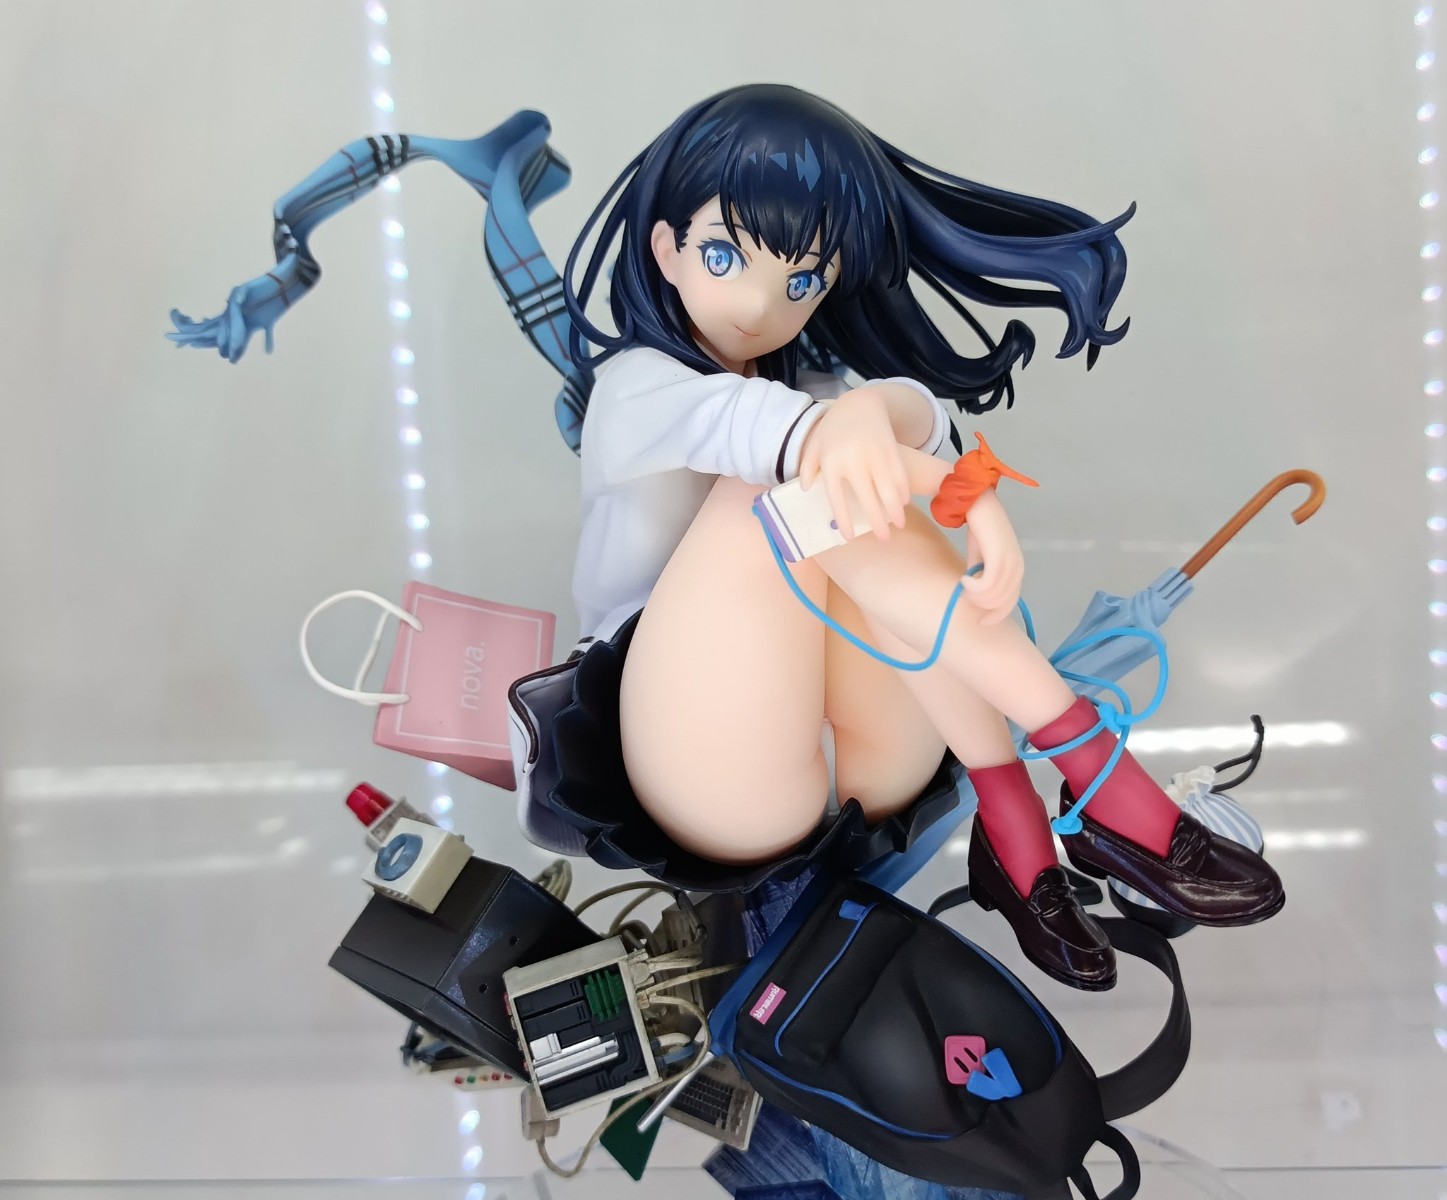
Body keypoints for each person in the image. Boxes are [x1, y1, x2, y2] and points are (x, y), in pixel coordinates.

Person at [170, 84, 1283, 990]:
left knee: (841, 474)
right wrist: (926, 469)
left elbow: (906, 419)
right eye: (724, 257)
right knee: (786, 489)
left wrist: (887, 423)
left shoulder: (811, 383)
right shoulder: (639, 390)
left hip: (871, 755)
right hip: (705, 766)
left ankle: (1014, 809)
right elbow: (777, 438)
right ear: (662, 246)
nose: (760, 304)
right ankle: (1088, 782)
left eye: (801, 278)